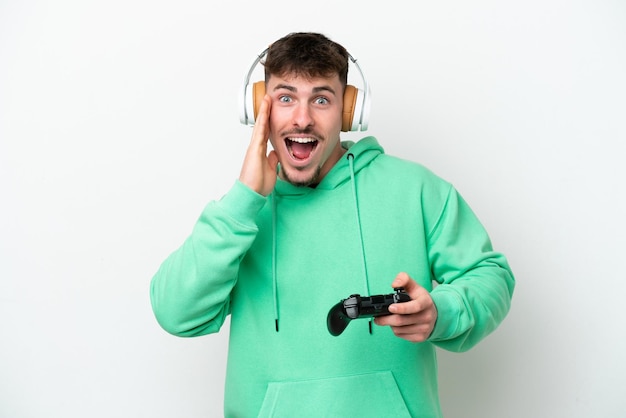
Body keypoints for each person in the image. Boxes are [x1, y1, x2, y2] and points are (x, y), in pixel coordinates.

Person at [150, 32, 515, 418]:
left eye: (321, 99)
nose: (302, 118)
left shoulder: (416, 189)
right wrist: (243, 200)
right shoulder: (240, 215)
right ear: (259, 107)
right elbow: (175, 312)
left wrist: (442, 312)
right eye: (285, 98)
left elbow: (491, 275)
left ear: (348, 111)